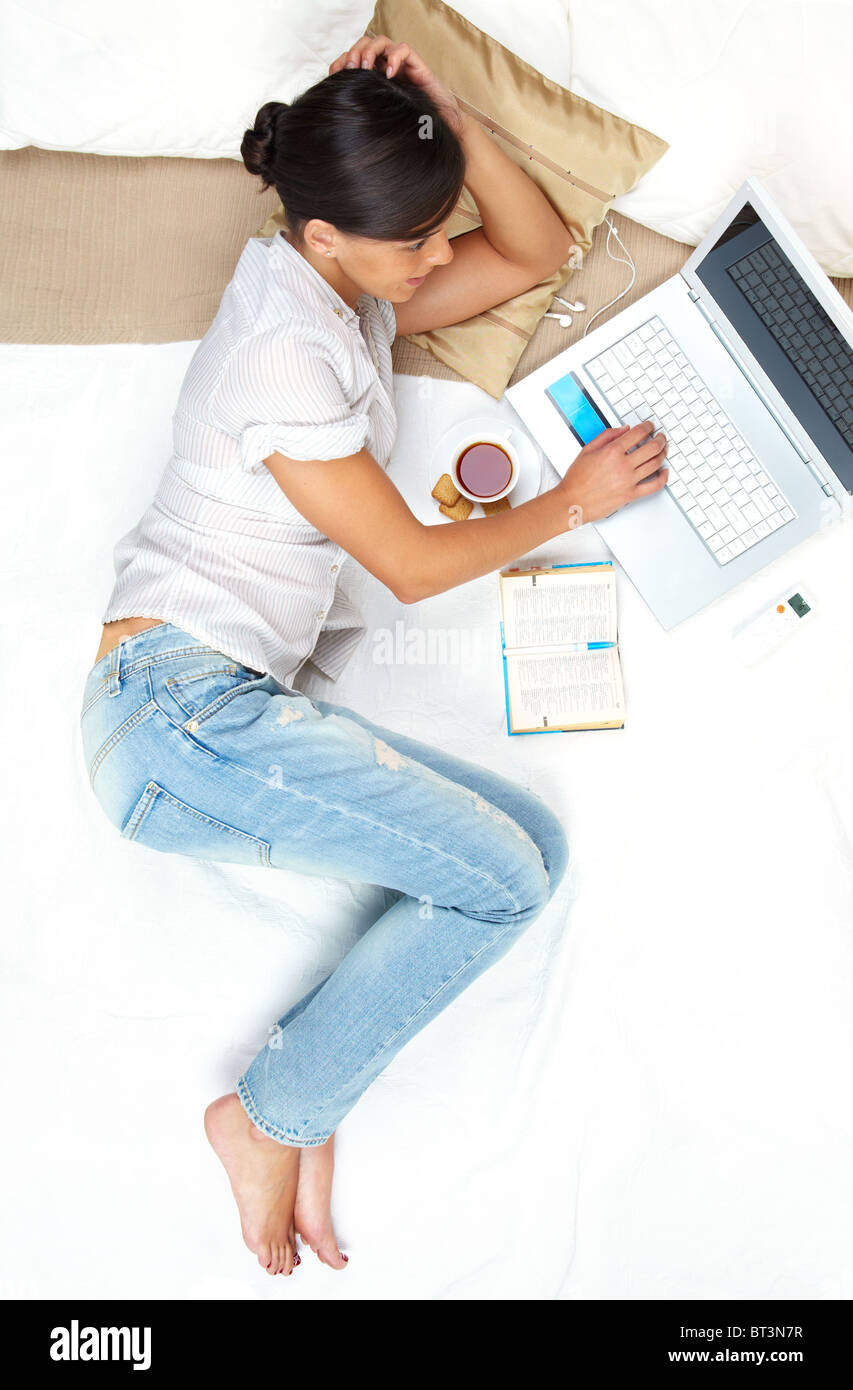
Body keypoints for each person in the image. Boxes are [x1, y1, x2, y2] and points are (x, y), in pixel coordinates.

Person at [79, 34, 669, 1280]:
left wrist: (441, 108)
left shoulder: (329, 285)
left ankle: (303, 1090)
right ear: (330, 236)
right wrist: (573, 500)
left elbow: (535, 251)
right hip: (174, 716)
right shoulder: (286, 351)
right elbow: (409, 563)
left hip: (207, 710)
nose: (441, 260)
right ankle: (267, 1116)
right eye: (416, 243)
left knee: (535, 852)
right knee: (499, 884)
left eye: (433, 230)